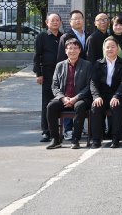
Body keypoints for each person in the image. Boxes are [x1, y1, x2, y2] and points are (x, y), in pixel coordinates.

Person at [45, 38, 92, 149]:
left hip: (80, 98)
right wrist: (63, 98)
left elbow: (89, 86)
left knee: (80, 106)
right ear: (65, 51)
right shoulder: (59, 65)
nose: (72, 51)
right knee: (51, 106)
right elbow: (54, 86)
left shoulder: (87, 65)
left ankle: (76, 139)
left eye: (75, 48)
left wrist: (75, 98)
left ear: (79, 50)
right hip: (64, 99)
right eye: (70, 48)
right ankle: (56, 139)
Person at [89, 37, 122, 148]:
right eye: (107, 47)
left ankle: (116, 139)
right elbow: (93, 82)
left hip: (117, 95)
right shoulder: (98, 64)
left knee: (117, 106)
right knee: (95, 107)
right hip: (102, 96)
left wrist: (117, 96)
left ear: (117, 49)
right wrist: (96, 96)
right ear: (104, 49)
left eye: (113, 47)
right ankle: (96, 139)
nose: (110, 49)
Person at [33, 12, 62, 142]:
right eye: (52, 20)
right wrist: (38, 74)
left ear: (60, 22)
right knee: (47, 102)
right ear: (47, 23)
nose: (55, 22)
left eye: (57, 20)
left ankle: (62, 130)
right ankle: (46, 131)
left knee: (60, 101)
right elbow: (37, 56)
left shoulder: (63, 37)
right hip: (48, 73)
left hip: (61, 73)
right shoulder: (42, 36)